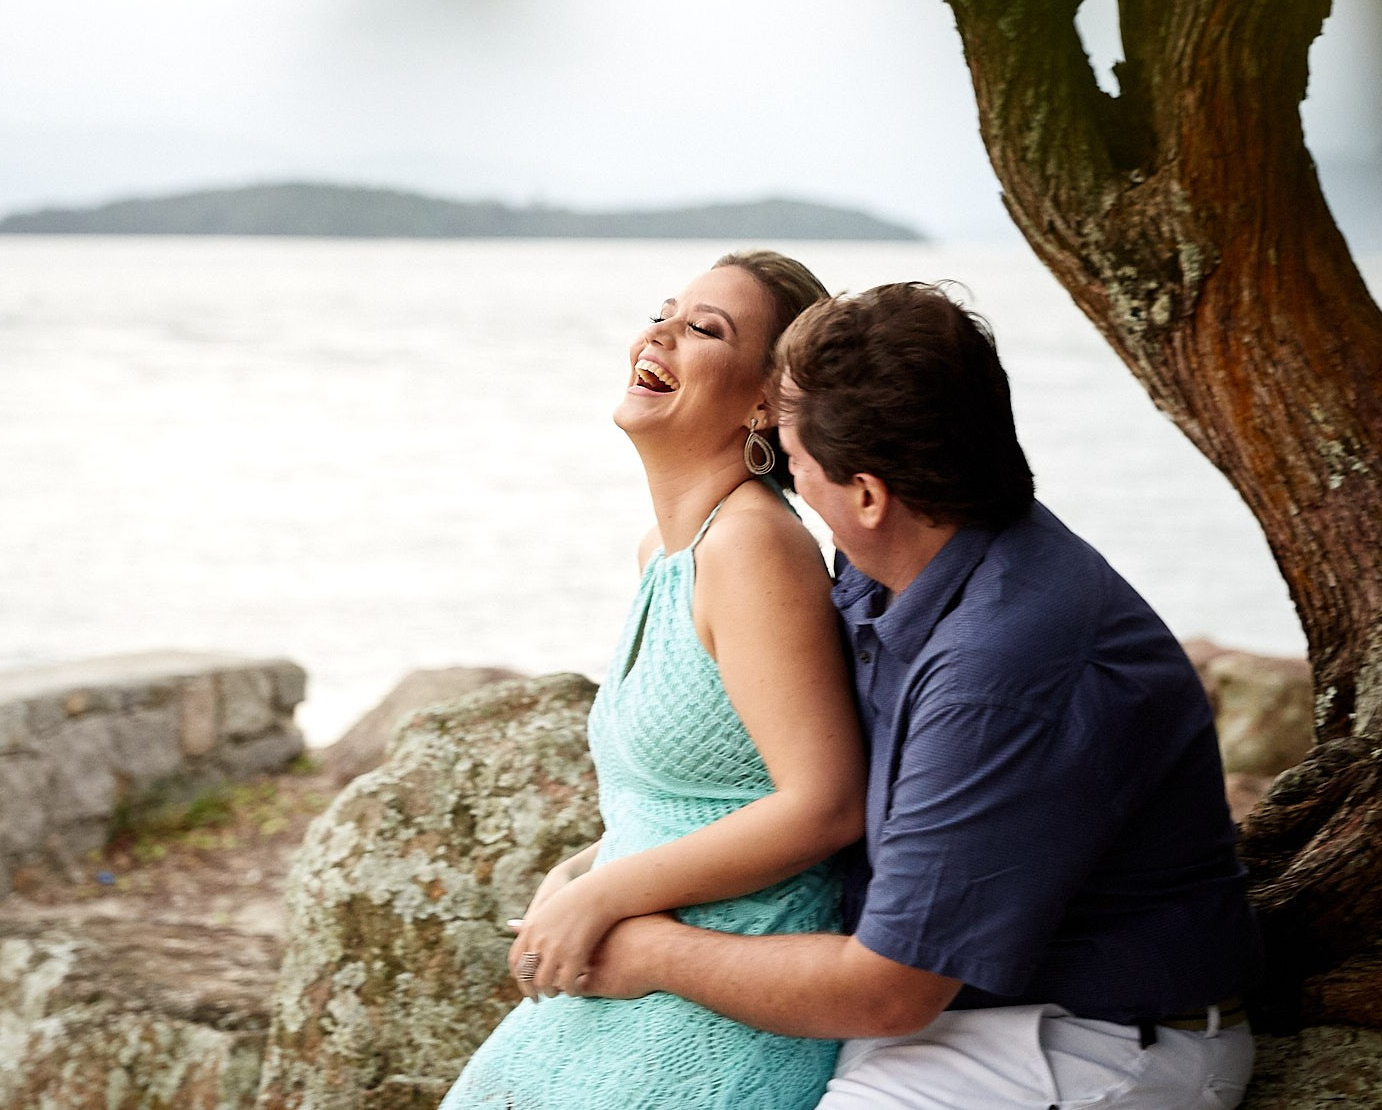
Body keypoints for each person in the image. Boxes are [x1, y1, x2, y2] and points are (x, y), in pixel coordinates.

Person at [582, 281, 1263, 1109]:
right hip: (946, 1003)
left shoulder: (999, 669)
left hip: (1087, 1038)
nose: (789, 480)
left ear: (868, 495)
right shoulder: (907, 559)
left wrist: (651, 953)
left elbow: (888, 991)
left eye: (795, 456)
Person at [439, 251, 866, 1110]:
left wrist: (605, 893)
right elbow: (697, 795)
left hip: (728, 983)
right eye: (663, 312)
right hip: (634, 962)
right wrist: (582, 868)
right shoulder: (667, 552)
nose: (661, 332)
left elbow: (825, 803)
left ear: (764, 402)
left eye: (704, 328)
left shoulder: (753, 545)